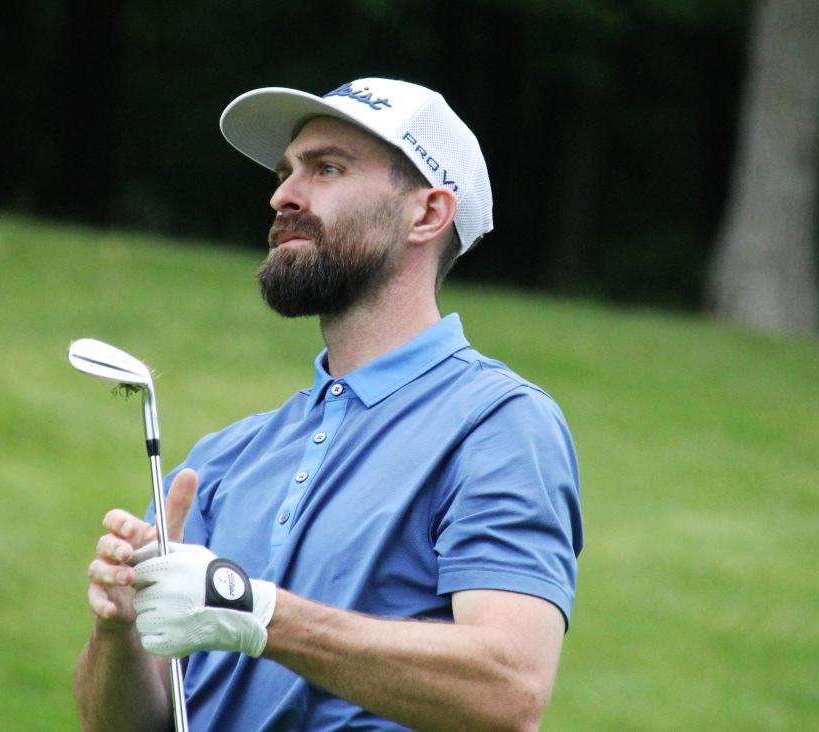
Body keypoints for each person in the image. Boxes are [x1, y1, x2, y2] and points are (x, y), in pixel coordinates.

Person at [74, 77, 583, 732]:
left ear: (426, 214)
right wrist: (117, 632)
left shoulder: (497, 423)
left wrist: (256, 612)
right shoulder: (225, 459)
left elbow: (509, 689)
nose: (282, 194)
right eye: (288, 171)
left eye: (327, 168)